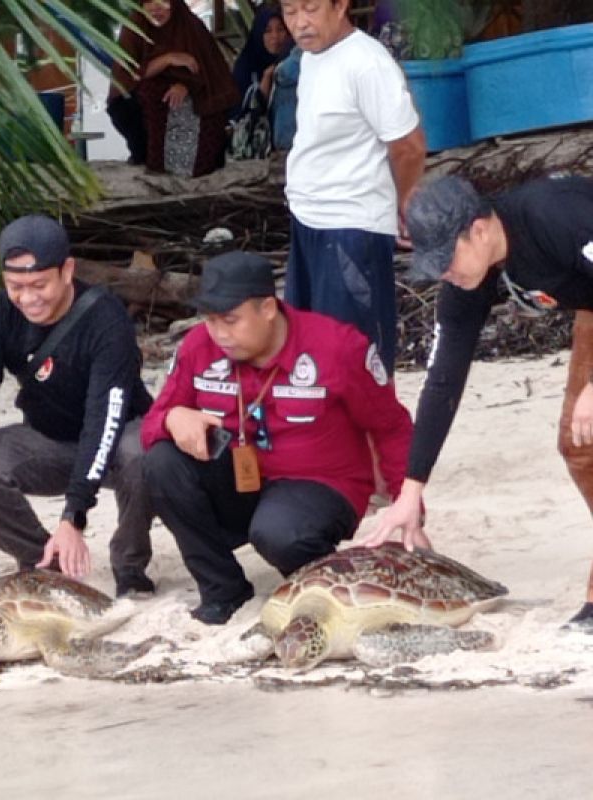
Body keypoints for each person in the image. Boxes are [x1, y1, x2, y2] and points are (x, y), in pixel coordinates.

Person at [367, 175, 593, 634]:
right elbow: (443, 376)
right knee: (581, 445)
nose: (445, 275)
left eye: (446, 262)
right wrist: (411, 489)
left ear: (480, 230)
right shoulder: (471, 277)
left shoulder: (554, 214)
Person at [142, 252, 412, 624]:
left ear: (268, 308)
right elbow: (151, 423)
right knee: (160, 463)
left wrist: (407, 507)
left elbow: (391, 427)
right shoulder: (198, 347)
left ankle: (318, 587)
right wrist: (173, 417)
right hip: (238, 481)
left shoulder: (336, 347)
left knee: (279, 534)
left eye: (231, 320)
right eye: (211, 320)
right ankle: (223, 590)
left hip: (319, 485)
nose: (219, 333)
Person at [0, 215, 155, 597]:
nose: (28, 298)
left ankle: (130, 564)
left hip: (119, 434)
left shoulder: (106, 319)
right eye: (15, 287)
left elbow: (103, 418)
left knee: (144, 456)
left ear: (67, 270)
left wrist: (73, 515)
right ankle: (42, 560)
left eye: (39, 284)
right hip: (50, 438)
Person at [280, 0, 426, 373]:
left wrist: (405, 201)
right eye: (289, 11)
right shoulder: (311, 57)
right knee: (308, 352)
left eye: (310, 8)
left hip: (351, 227)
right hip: (308, 218)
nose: (300, 23)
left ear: (341, 5)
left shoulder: (367, 63)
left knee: (354, 357)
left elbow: (407, 145)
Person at [107, 0, 239, 176]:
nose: (156, 8)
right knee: (128, 100)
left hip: (194, 102)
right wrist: (167, 59)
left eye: (163, 1)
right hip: (150, 107)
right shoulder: (134, 28)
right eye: (149, 2)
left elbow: (212, 74)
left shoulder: (191, 27)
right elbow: (127, 76)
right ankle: (145, 155)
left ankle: (186, 164)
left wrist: (188, 85)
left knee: (188, 106)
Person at [230, 7, 292, 115]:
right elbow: (243, 112)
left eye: (280, 29)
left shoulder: (294, 62)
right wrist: (267, 78)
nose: (275, 36)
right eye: (267, 31)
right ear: (258, 34)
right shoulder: (245, 67)